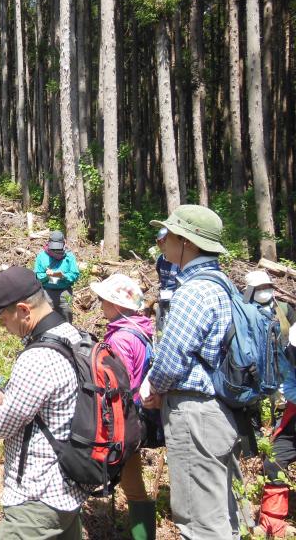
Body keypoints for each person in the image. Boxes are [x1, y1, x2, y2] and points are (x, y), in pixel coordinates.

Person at [140, 205, 241, 540]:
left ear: (188, 243)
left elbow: (170, 360)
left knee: (200, 524)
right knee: (223, 514)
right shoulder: (222, 284)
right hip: (219, 411)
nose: (163, 242)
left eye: (169, 235)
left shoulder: (193, 291)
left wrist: (152, 388)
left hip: (194, 412)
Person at [0, 265, 89, 539]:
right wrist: (9, 399)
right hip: (69, 487)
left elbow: (2, 425)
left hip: (37, 495)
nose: (2, 326)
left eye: (2, 318)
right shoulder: (72, 335)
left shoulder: (37, 358)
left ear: (24, 310)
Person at [90, 273, 157, 540]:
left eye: (104, 300)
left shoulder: (120, 339)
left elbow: (119, 382)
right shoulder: (142, 331)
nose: (101, 305)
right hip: (140, 414)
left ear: (117, 305)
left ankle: (143, 535)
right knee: (134, 481)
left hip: (125, 418)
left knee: (132, 483)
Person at [247, 270, 296, 538]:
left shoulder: (284, 309)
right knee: (275, 459)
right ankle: (272, 519)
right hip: (293, 413)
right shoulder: (291, 354)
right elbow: (288, 384)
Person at [34, 231, 79, 323]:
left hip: (65, 291)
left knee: (66, 312)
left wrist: (63, 276)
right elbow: (37, 276)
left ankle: (67, 333)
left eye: (58, 248)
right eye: (53, 248)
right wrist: (47, 276)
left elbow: (75, 275)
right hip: (47, 291)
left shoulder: (69, 257)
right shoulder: (41, 256)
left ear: (64, 243)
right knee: (47, 316)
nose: (55, 251)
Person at [153, 227, 179, 335]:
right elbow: (160, 276)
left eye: (164, 241)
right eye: (159, 242)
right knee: (159, 325)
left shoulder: (178, 261)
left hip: (176, 300)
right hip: (163, 297)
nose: (162, 245)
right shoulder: (160, 259)